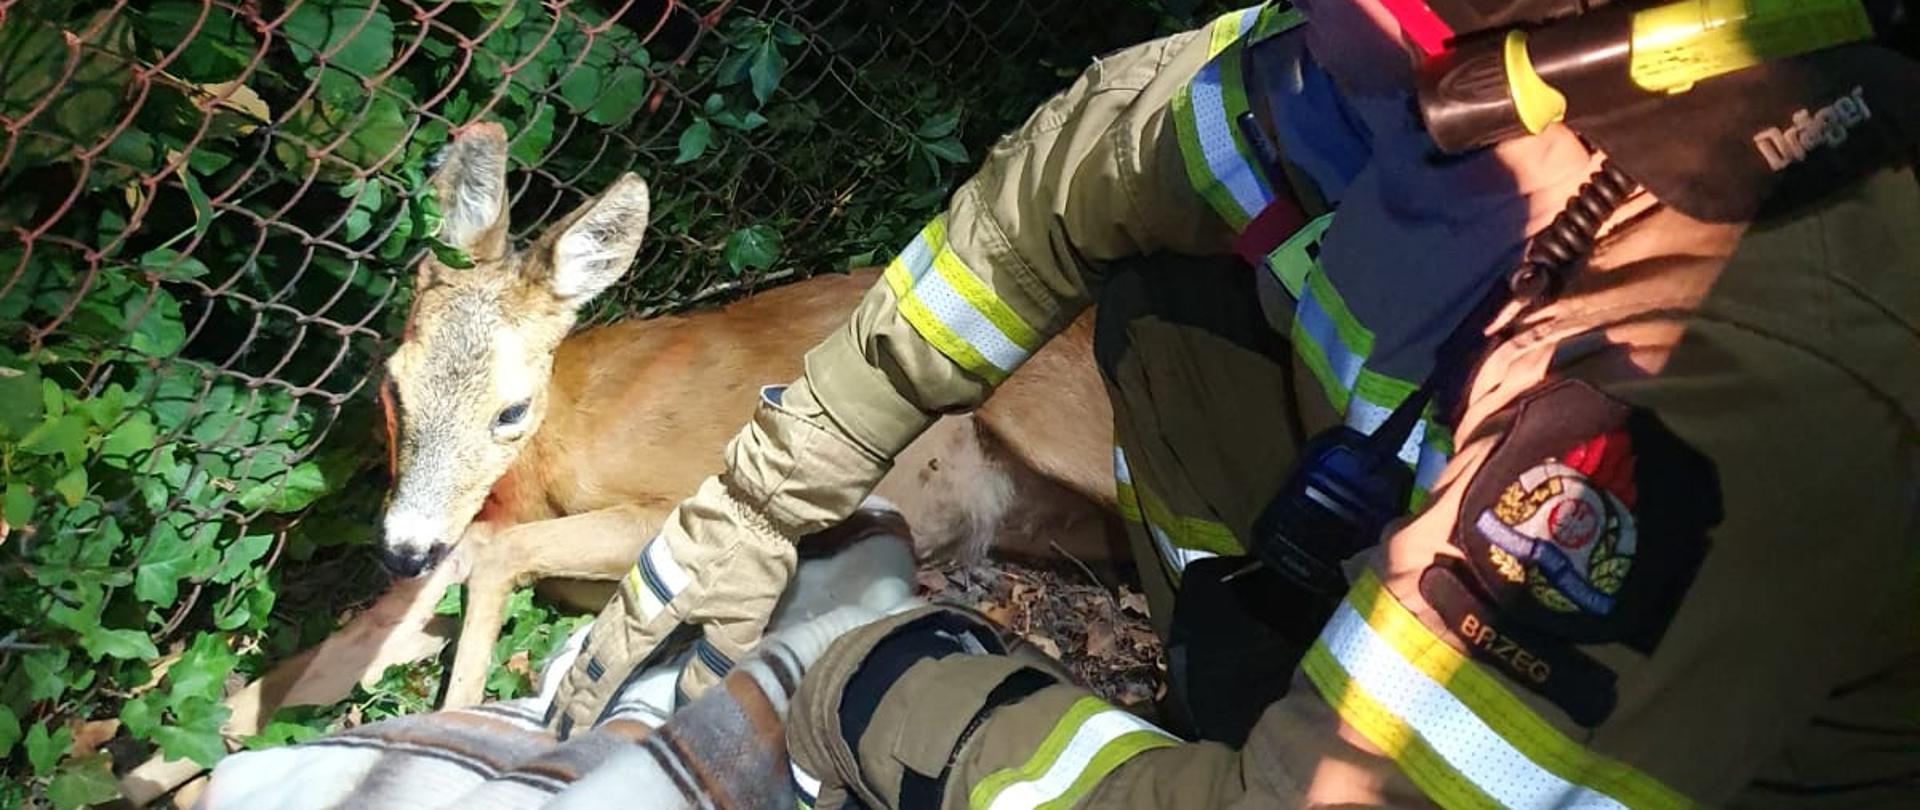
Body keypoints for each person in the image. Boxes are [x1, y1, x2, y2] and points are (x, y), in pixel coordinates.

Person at [549, 0, 1920, 806]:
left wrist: (868, 682)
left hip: (1718, 759)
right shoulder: (1442, 56)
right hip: (1440, 559)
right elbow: (1079, 169)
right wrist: (745, 510)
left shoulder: (1749, 343)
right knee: (1168, 314)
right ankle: (1239, 703)